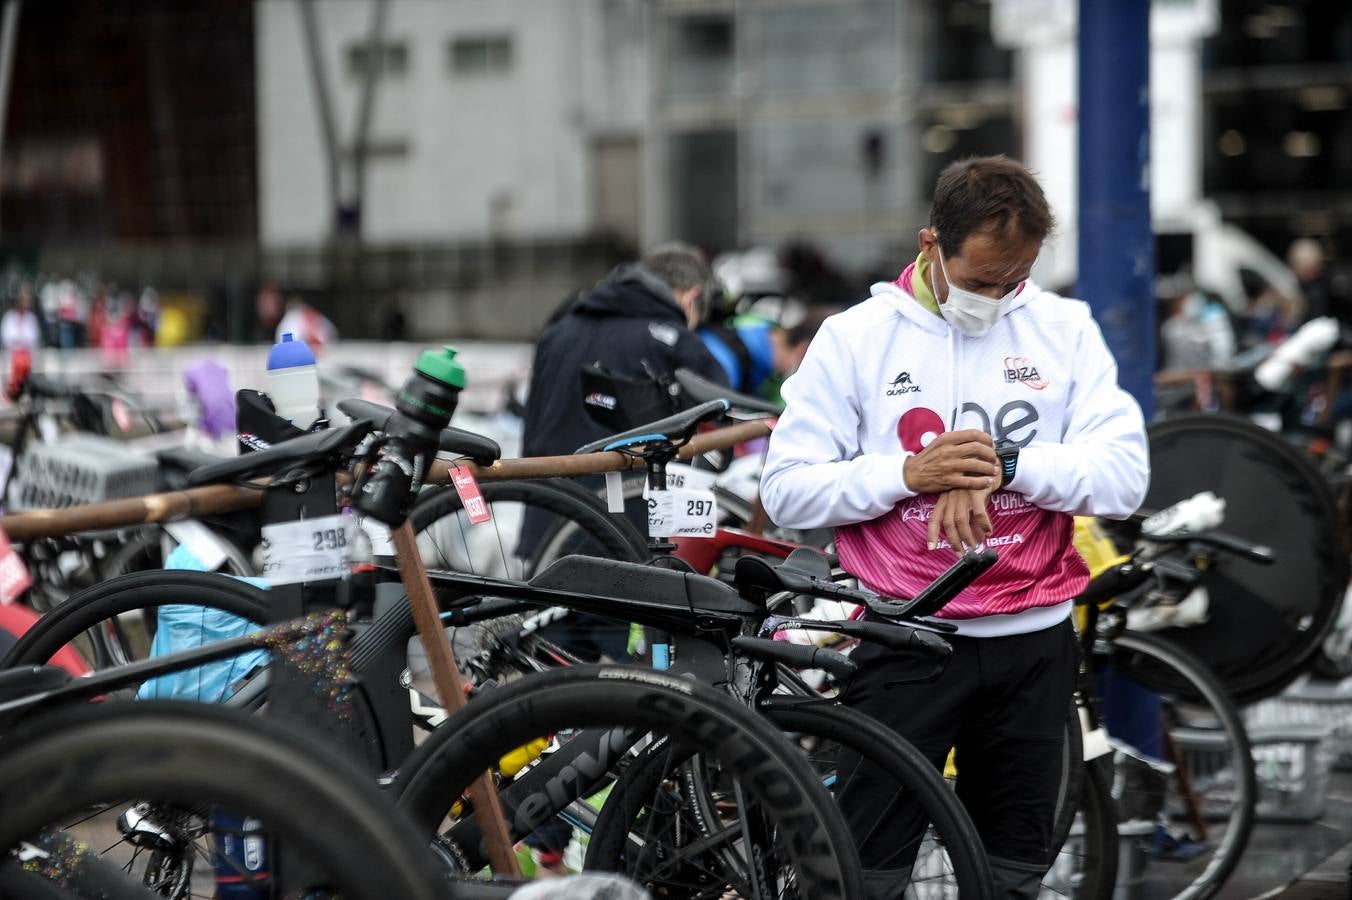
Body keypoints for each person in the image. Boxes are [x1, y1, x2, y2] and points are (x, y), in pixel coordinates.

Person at [760, 155, 1149, 898]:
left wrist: (1009, 463)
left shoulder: (1063, 327)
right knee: (865, 876)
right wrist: (908, 475)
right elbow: (785, 494)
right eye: (980, 280)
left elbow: (1126, 480)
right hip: (905, 640)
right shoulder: (855, 338)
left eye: (1017, 279)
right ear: (929, 242)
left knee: (1012, 874)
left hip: (1033, 641)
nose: (998, 299)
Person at [1, 284, 42, 353]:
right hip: (11, 354)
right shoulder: (9, 317)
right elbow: (6, 337)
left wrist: (24, 343)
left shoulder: (31, 318)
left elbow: (34, 337)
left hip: (27, 354)